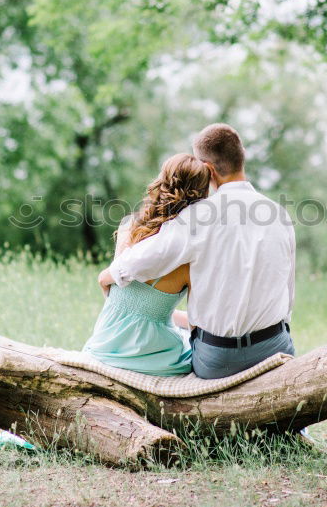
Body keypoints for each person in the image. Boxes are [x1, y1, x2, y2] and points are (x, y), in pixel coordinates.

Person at [98, 123, 296, 379]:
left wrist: (109, 275)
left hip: (219, 359)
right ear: (242, 154)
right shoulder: (279, 215)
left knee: (181, 340)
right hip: (275, 348)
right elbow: (288, 292)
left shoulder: (197, 217)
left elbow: (147, 257)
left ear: (209, 170)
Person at [82, 153, 210, 375]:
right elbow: (196, 322)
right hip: (158, 357)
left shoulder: (130, 227)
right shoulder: (189, 256)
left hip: (107, 345)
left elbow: (115, 292)